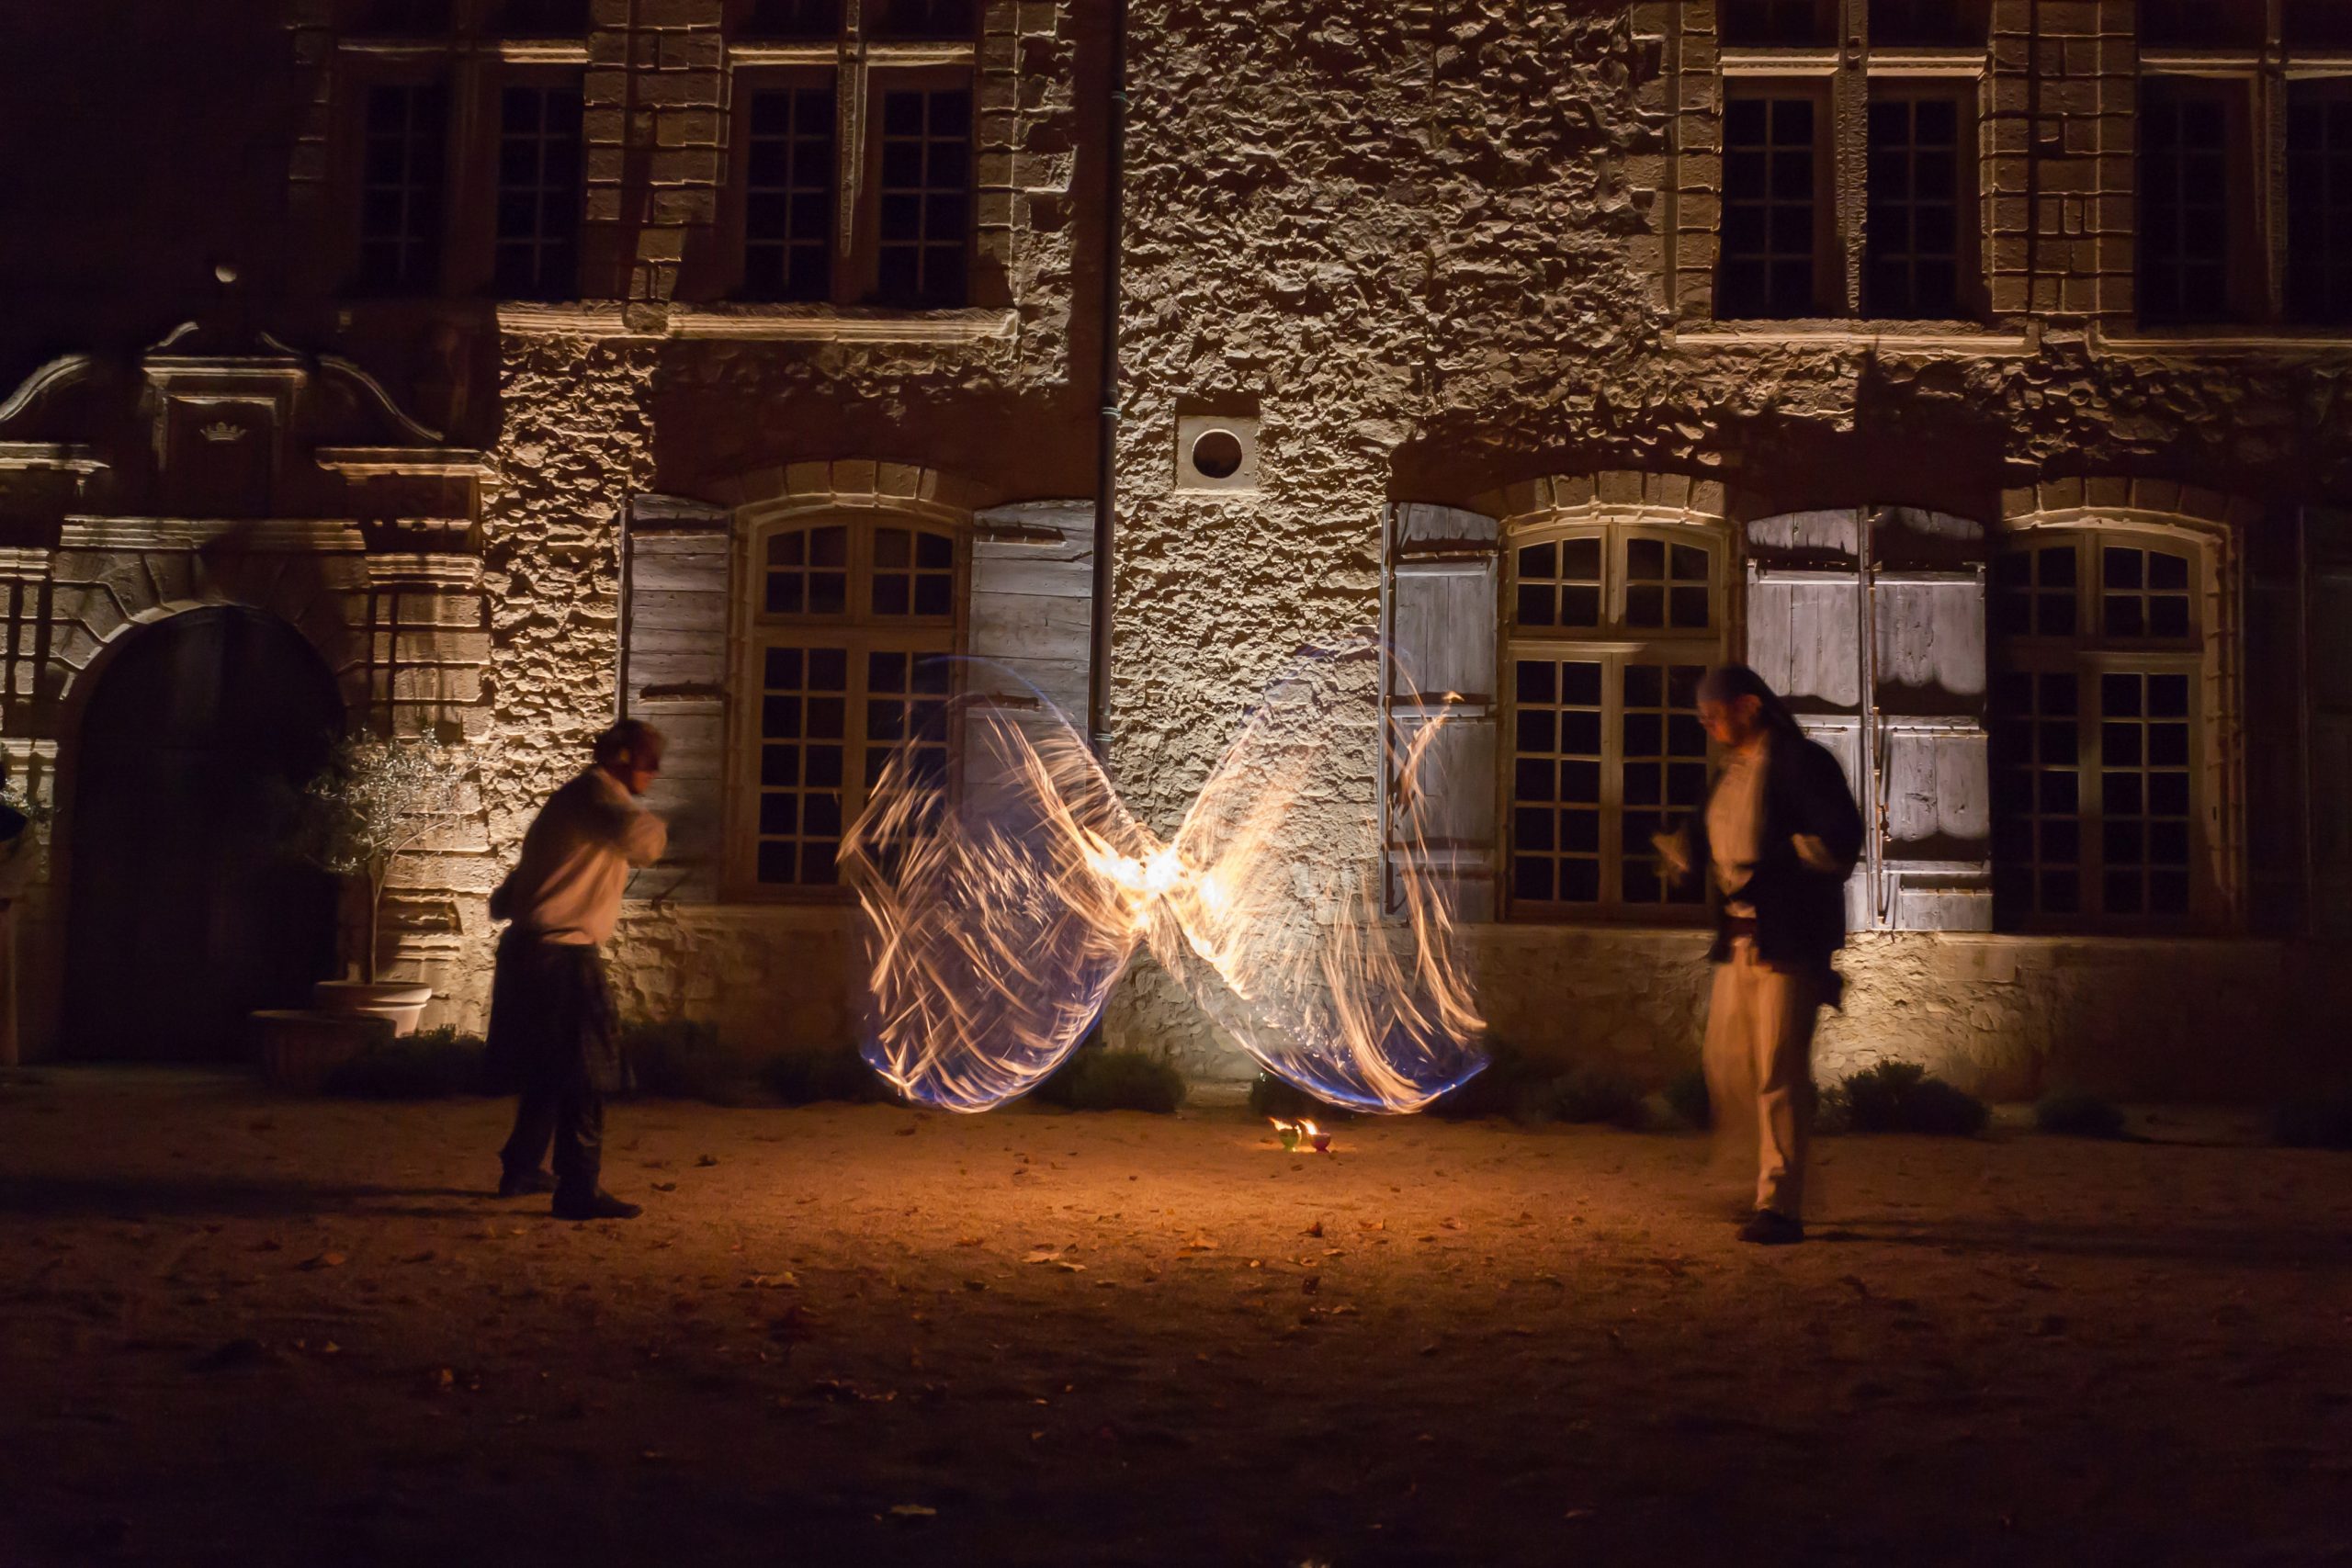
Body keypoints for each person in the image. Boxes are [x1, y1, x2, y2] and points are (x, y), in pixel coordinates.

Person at [1656, 665, 1864, 1247]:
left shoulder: (1801, 763)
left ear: (1749, 706)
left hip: (1787, 941)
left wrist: (1779, 869)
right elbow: (1709, 839)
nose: (1709, 725)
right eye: (1704, 717)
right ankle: (1754, 1180)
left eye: (1715, 713)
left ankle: (1780, 1205)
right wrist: (1685, 854)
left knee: (1778, 1071)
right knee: (1727, 1062)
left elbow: (1838, 838)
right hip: (1741, 941)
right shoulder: (1728, 773)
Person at [485, 719, 667, 1221]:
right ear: (624, 758)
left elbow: (511, 892)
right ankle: (578, 1188)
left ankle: (521, 1167)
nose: (656, 772)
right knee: (588, 1070)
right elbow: (643, 842)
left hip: (533, 951)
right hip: (560, 954)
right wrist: (671, 824)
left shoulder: (573, 800)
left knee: (551, 1067)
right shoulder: (597, 797)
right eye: (650, 761)